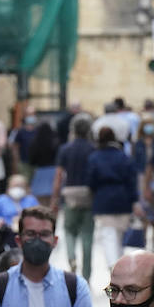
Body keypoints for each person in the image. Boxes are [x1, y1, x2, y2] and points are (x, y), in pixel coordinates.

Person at [86, 127, 140, 275]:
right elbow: (131, 180)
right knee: (120, 235)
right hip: (123, 199)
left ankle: (113, 265)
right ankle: (119, 264)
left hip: (103, 199)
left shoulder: (94, 157)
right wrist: (134, 200)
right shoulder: (123, 157)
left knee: (108, 234)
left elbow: (91, 181)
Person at [53, 115, 95, 282]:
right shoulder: (93, 149)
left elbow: (58, 175)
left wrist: (55, 197)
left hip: (70, 193)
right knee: (87, 234)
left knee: (69, 230)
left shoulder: (65, 149)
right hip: (88, 194)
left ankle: (71, 256)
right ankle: (86, 274)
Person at [27, 122, 59, 207]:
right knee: (52, 198)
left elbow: (31, 160)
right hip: (53, 171)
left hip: (40, 171)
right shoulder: (55, 142)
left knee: (40, 199)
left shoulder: (35, 143)